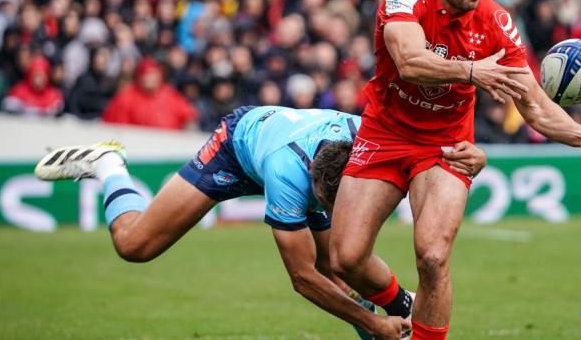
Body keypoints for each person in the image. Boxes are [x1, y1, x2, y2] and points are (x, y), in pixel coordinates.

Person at [328, 0, 581, 340]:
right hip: (385, 133)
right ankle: (402, 304)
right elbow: (409, 60)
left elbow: (532, 101)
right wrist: (471, 70)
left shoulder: (496, 21)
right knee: (346, 258)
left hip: (446, 146)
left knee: (431, 255)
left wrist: (578, 134)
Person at [34, 105, 488, 339]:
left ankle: (401, 307)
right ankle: (109, 164)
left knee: (345, 260)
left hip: (292, 148)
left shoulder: (366, 141)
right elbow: (302, 279)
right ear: (316, 190)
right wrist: (371, 325)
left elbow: (428, 147)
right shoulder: (288, 177)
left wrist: (474, 153)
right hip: (237, 145)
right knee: (135, 246)